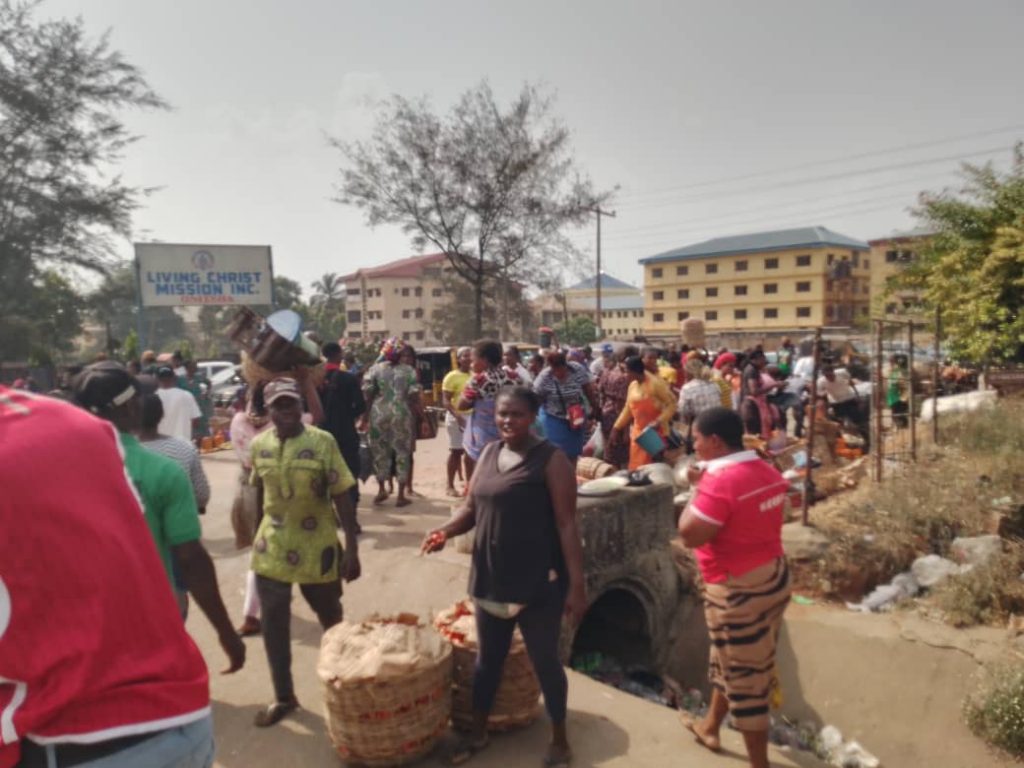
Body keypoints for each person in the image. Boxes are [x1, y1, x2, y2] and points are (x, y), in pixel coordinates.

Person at [0, 385, 222, 768]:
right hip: (178, 707)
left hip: (72, 737)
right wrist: (225, 630)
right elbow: (188, 548)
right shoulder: (73, 424)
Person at [422, 387, 586, 768]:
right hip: (491, 578)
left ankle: (560, 740)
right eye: (501, 415)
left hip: (538, 584)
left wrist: (576, 586)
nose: (507, 421)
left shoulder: (551, 460)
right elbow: (471, 509)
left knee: (546, 661)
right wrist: (444, 531)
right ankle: (478, 732)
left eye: (516, 415)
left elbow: (566, 525)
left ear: (533, 417)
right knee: (487, 662)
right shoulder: (490, 453)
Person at [72, 362, 244, 667]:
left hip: (83, 625)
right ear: (130, 408)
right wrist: (226, 632)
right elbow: (190, 557)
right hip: (151, 617)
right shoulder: (163, 472)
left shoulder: (61, 473)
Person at [677, 408, 790, 768]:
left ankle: (759, 763)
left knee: (746, 678)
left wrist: (696, 490)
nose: (692, 445)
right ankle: (711, 726)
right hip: (772, 576)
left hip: (737, 590)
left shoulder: (721, 482)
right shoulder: (765, 470)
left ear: (714, 441)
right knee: (729, 658)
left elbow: (689, 534)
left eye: (695, 439)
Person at [249, 377, 361, 727]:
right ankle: (284, 696)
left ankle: (349, 686)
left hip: (319, 546)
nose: (286, 411)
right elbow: (256, 492)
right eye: (278, 406)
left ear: (301, 405)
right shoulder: (259, 445)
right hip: (273, 547)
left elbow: (341, 492)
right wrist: (255, 539)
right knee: (274, 624)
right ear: (266, 411)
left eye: (291, 403)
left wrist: (352, 548)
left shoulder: (322, 441)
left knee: (331, 620)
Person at [362, 338, 421, 507]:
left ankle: (381, 489)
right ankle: (401, 495)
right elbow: (414, 395)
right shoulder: (409, 370)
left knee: (380, 451)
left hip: (378, 414)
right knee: (402, 452)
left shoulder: (374, 369)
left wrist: (364, 417)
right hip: (401, 414)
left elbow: (367, 394)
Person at [139, 393, 211, 513]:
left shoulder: (122, 451)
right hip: (180, 521)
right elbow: (202, 494)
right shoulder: (185, 447)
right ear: (162, 415)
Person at [458, 338, 519, 474]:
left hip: (484, 434)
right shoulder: (514, 377)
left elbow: (462, 405)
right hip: (509, 430)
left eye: (473, 360)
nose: (471, 364)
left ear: (484, 360)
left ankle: (476, 490)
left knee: (480, 465)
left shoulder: (479, 380)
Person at [319, 342, 366, 505]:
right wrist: (347, 416)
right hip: (346, 432)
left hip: (321, 432)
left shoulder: (315, 379)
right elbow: (360, 405)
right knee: (350, 470)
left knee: (323, 471)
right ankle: (351, 514)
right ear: (339, 355)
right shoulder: (349, 379)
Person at [610, 356, 677, 469]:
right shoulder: (632, 386)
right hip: (638, 433)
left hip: (654, 433)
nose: (625, 375)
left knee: (653, 468)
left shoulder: (656, 384)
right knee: (636, 468)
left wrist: (658, 421)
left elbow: (672, 404)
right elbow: (628, 409)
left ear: (634, 372)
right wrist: (616, 428)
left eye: (627, 371)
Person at [532, 350, 598, 463]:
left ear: (565, 365)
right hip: (553, 417)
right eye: (554, 369)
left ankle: (571, 475)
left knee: (574, 452)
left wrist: (595, 408)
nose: (558, 373)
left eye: (561, 369)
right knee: (555, 453)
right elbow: (536, 399)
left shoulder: (577, 369)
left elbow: (587, 389)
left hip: (576, 416)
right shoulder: (544, 377)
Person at [595, 345, 636, 468]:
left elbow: (599, 393)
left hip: (606, 414)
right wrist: (624, 430)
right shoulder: (624, 377)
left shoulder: (606, 372)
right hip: (617, 418)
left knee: (609, 451)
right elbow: (621, 404)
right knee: (620, 454)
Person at [442, 347, 473, 496]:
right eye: (465, 356)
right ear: (459, 359)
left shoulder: (477, 375)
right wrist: (458, 416)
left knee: (471, 453)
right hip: (456, 417)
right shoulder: (451, 377)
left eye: (470, 355)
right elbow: (446, 401)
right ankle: (449, 485)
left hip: (474, 418)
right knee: (456, 451)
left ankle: (469, 485)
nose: (468, 358)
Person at [739, 350, 784, 440]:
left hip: (751, 404)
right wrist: (774, 385)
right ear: (756, 359)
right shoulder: (752, 371)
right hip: (752, 406)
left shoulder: (753, 369)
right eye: (763, 359)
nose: (765, 362)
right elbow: (754, 391)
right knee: (756, 436)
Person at [678, 354, 723, 437]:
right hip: (718, 425)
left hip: (700, 428)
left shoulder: (687, 388)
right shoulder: (714, 385)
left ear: (689, 373)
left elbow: (684, 412)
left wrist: (686, 423)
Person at [155, 365, 202, 443]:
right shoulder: (187, 395)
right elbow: (196, 421)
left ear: (156, 379)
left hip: (161, 446)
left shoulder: (153, 397)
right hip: (183, 445)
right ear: (174, 378)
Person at [818, 363, 865, 434]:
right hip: (836, 402)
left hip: (848, 398)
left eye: (830, 375)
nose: (829, 377)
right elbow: (820, 394)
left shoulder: (842, 373)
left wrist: (858, 398)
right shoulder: (821, 382)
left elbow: (851, 383)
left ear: (833, 372)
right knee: (840, 422)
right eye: (826, 376)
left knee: (857, 420)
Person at [183, 359, 213, 443]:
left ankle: (202, 444)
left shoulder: (199, 377)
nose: (196, 368)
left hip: (199, 405)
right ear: (187, 368)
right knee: (191, 428)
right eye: (193, 366)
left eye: (196, 366)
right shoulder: (181, 379)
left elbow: (209, 383)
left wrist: (207, 393)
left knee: (202, 427)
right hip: (187, 408)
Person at [887, 354, 910, 429]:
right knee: (897, 418)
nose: (890, 364)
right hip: (894, 398)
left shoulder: (901, 372)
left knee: (899, 418)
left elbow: (904, 385)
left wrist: (904, 397)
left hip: (899, 398)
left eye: (892, 362)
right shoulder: (894, 372)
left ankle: (903, 433)